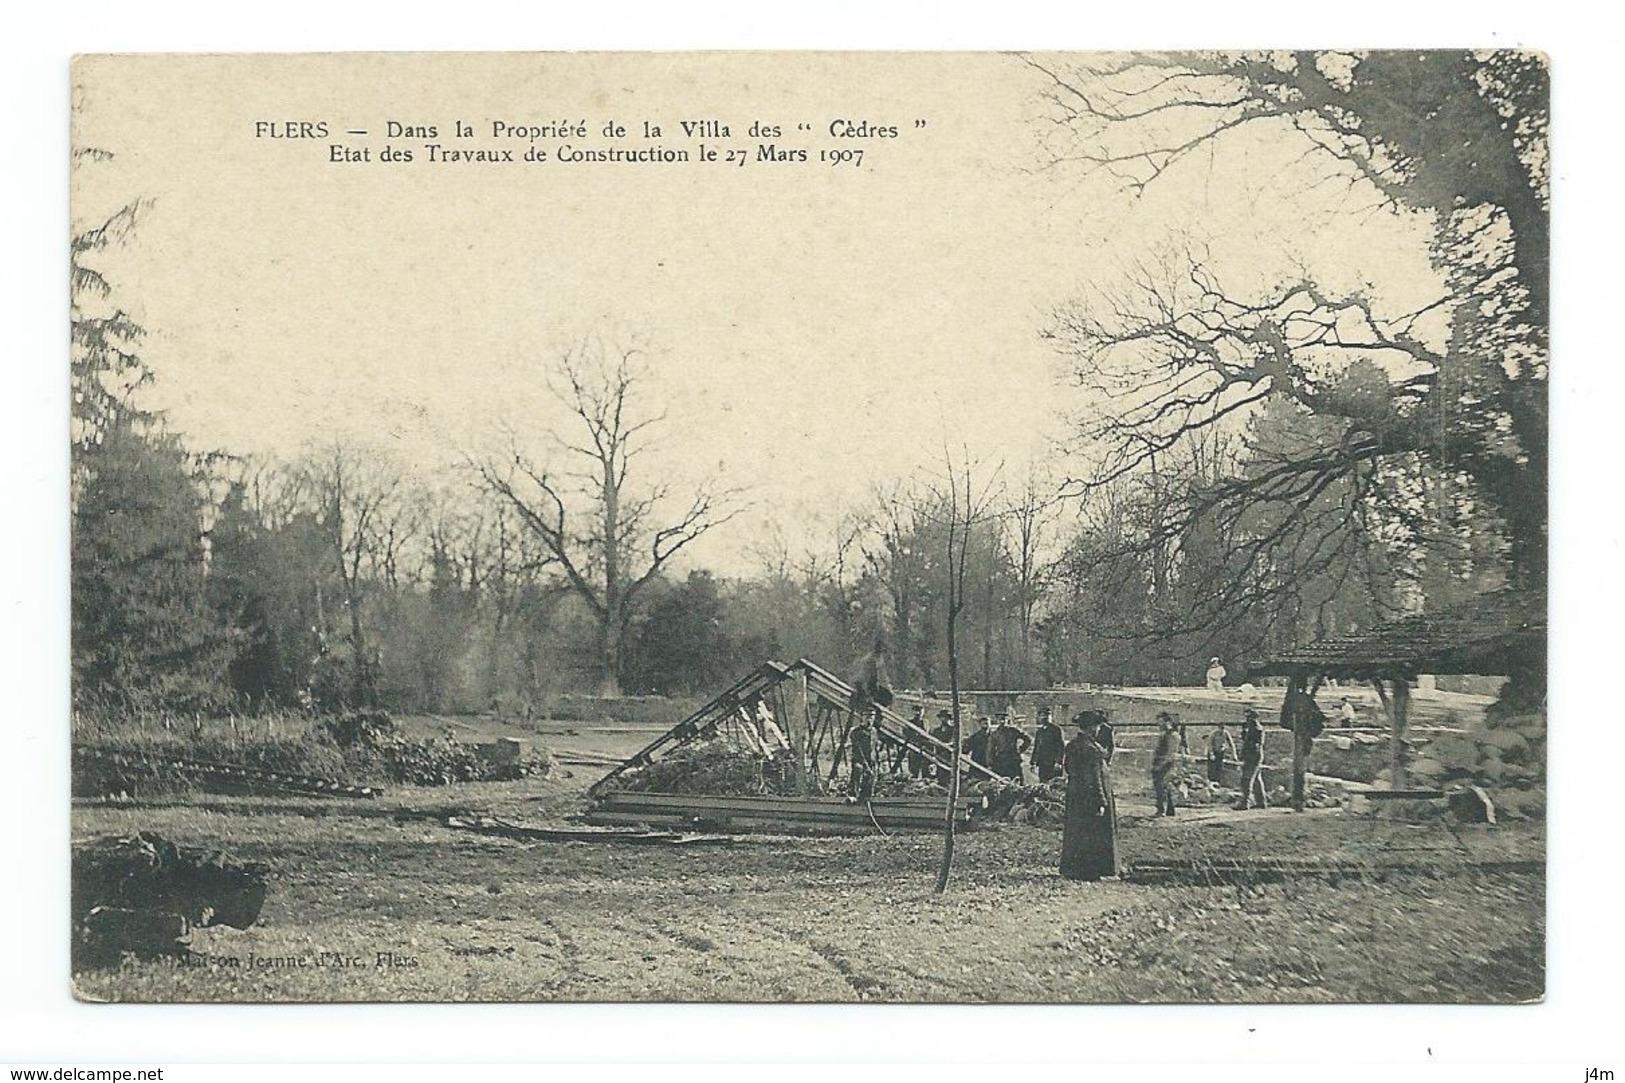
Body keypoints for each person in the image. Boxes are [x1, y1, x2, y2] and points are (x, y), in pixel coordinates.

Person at [1059, 711, 1118, 881]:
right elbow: (1094, 778)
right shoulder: (1090, 749)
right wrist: (1100, 801)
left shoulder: (1072, 745)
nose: (1099, 730)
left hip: (1076, 794)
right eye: (1098, 726)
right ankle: (1092, 870)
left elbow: (1069, 769)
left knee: (1077, 831)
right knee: (1094, 833)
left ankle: (1073, 868)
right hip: (1090, 796)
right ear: (1092, 728)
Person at [1235, 707, 1268, 810]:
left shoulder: (1254, 729)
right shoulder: (1257, 728)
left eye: (1248, 717)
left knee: (1246, 779)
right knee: (1257, 779)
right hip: (1256, 755)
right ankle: (1261, 802)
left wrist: (1244, 753)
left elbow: (1250, 743)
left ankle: (1245, 803)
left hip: (1252, 755)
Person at [847, 706, 880, 803]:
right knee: (858, 770)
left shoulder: (874, 731)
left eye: (872, 716)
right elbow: (858, 750)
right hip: (860, 760)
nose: (869, 719)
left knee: (871, 779)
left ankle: (867, 798)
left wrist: (877, 761)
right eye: (867, 716)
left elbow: (875, 747)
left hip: (872, 760)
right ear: (862, 717)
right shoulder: (856, 732)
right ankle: (854, 796)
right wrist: (866, 766)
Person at [1151, 711, 1181, 816]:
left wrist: (1162, 763)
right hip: (1160, 762)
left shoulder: (1173, 735)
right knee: (1163, 786)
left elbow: (1171, 752)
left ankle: (1162, 809)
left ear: (1167, 722)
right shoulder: (1163, 734)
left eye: (1161, 721)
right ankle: (1169, 809)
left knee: (1162, 786)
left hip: (1166, 763)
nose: (1159, 724)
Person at [988, 713, 1032, 783]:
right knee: (1000, 782)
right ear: (997, 721)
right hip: (1001, 761)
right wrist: (990, 762)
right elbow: (990, 749)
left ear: (1007, 720)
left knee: (1017, 781)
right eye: (1000, 720)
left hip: (1013, 760)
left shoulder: (1013, 730)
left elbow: (1028, 739)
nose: (1002, 721)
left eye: (1004, 719)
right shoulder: (995, 734)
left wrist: (1020, 750)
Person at [1031, 706, 1066, 783]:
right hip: (1043, 764)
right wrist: (1033, 763)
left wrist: (1058, 762)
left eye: (1047, 715)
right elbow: (1036, 748)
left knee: (1055, 785)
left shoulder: (1057, 730)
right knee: (1043, 785)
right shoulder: (1039, 732)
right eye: (1042, 716)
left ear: (1050, 717)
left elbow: (1061, 747)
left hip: (1053, 764)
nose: (1044, 718)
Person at [927, 709, 956, 780]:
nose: (944, 719)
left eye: (946, 718)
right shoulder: (937, 731)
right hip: (938, 754)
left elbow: (953, 741)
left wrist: (944, 745)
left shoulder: (953, 730)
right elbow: (932, 741)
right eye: (942, 717)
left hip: (949, 755)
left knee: (948, 774)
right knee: (939, 773)